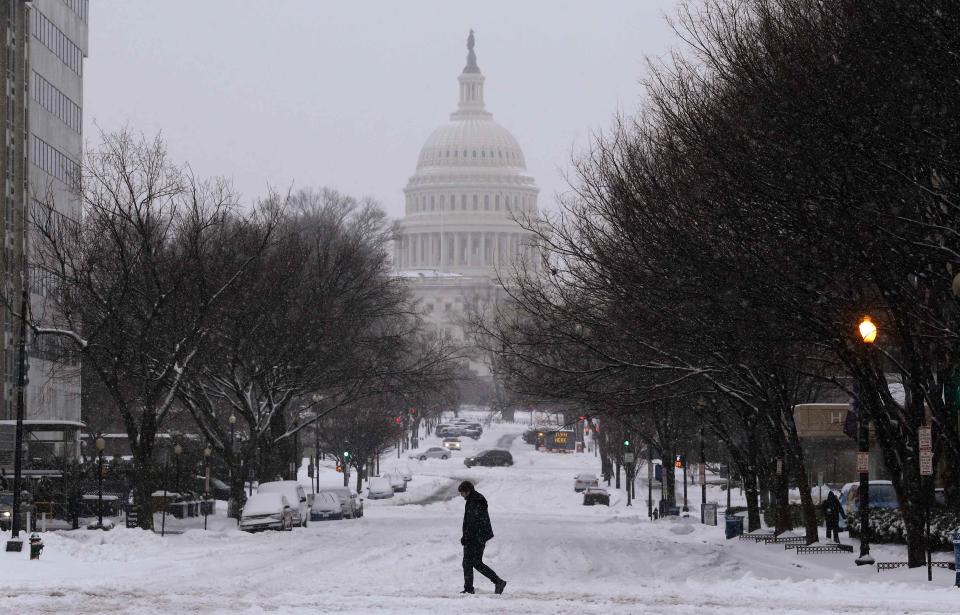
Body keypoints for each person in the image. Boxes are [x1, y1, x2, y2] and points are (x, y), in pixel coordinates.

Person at [458, 481, 506, 595]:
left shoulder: (475, 501)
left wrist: (467, 537)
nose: (461, 495)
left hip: (477, 537)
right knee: (470, 563)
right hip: (476, 536)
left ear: (467, 491)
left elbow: (473, 522)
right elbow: (470, 521)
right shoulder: (473, 500)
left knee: (473, 562)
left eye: (462, 493)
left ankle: (498, 582)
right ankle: (470, 588)